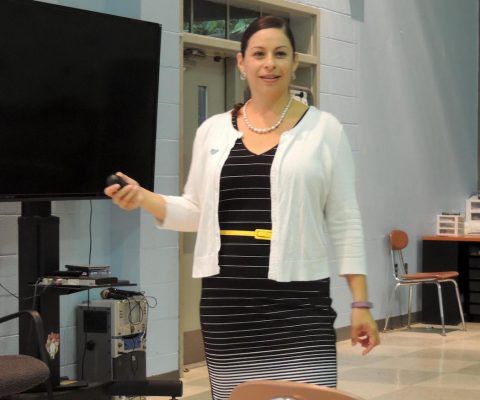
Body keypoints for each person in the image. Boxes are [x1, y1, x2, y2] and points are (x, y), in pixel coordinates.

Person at [105, 15, 379, 400]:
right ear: (242, 63)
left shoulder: (325, 130)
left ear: (294, 62)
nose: (270, 63)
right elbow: (197, 211)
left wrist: (361, 302)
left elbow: (345, 220)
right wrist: (144, 198)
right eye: (259, 54)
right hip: (228, 303)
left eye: (280, 53)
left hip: (299, 302)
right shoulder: (213, 130)